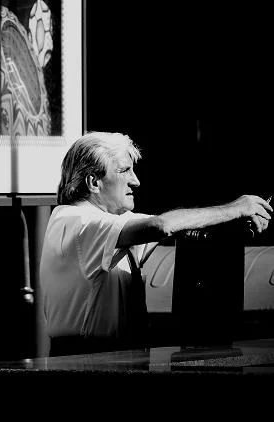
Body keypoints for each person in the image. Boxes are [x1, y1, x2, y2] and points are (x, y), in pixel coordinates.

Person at [39, 130, 272, 356]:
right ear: (93, 182)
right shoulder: (77, 221)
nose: (136, 181)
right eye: (125, 170)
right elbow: (161, 226)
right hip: (82, 361)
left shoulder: (111, 223)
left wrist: (236, 221)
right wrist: (236, 208)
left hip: (112, 358)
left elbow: (180, 225)